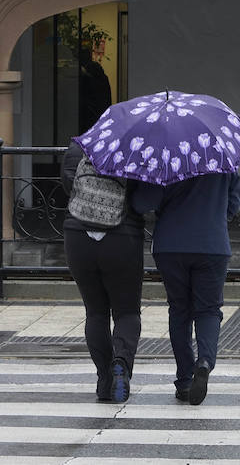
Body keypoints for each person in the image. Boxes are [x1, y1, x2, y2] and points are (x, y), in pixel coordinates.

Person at [131, 171, 240, 404]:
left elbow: (143, 202)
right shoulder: (223, 159)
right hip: (212, 243)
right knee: (209, 310)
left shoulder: (167, 158)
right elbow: (232, 206)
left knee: (180, 310)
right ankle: (204, 362)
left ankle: (184, 379)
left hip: (170, 245)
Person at [61, 139, 145, 402]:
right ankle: (121, 364)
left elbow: (68, 187)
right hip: (122, 237)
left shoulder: (78, 148)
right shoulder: (136, 149)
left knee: (95, 312)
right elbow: (143, 199)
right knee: (127, 311)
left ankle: (104, 379)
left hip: (77, 236)